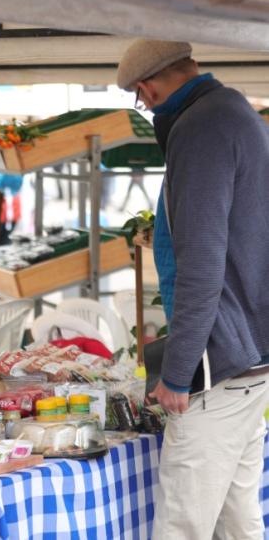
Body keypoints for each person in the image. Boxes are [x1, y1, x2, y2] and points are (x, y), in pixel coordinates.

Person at [117, 39, 269, 539]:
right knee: (236, 517)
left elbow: (202, 264)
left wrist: (177, 374)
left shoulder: (200, 128)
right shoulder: (233, 110)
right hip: (250, 355)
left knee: (182, 525)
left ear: (147, 88)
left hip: (219, 362)